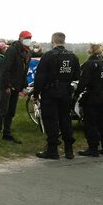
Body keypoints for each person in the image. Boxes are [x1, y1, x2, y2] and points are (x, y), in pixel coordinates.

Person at [33, 32, 80, 160]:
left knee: (51, 120)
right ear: (64, 41)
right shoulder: (73, 57)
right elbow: (77, 76)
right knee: (66, 119)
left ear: (53, 41)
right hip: (66, 92)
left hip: (50, 92)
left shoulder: (48, 56)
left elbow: (40, 77)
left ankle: (52, 150)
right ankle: (69, 150)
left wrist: (36, 94)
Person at [0, 31, 33, 143]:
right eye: (26, 38)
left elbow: (24, 71)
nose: (28, 39)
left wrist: (23, 86)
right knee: (2, 110)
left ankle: (7, 133)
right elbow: (5, 69)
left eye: (30, 38)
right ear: (20, 38)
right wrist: (7, 86)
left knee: (11, 111)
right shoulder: (12, 50)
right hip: (7, 85)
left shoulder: (27, 52)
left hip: (17, 85)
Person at [75, 44, 103, 157]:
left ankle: (93, 148)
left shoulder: (89, 64)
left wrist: (76, 95)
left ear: (90, 52)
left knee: (91, 123)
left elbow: (83, 82)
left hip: (93, 96)